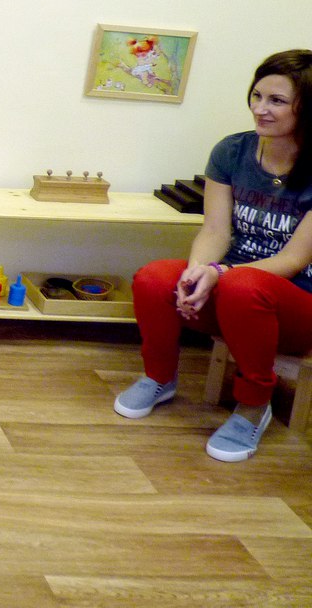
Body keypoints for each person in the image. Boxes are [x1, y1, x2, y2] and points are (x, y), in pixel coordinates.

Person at [115, 50, 312, 462]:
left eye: (276, 101)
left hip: (295, 304)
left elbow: (294, 259)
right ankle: (159, 378)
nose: (260, 109)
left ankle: (254, 405)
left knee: (243, 286)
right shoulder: (231, 151)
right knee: (155, 278)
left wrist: (220, 274)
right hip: (232, 287)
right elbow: (215, 231)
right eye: (257, 95)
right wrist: (196, 273)